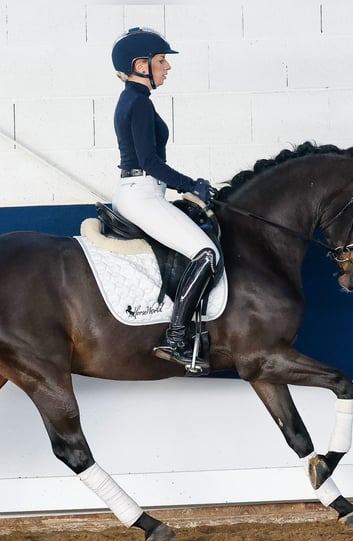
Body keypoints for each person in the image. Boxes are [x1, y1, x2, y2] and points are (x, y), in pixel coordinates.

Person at [110, 27, 220, 372]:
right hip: (141, 193)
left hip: (144, 191)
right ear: (141, 65)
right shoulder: (138, 103)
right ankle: (175, 339)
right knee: (206, 254)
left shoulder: (135, 99)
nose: (167, 67)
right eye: (161, 61)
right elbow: (150, 162)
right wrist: (191, 184)